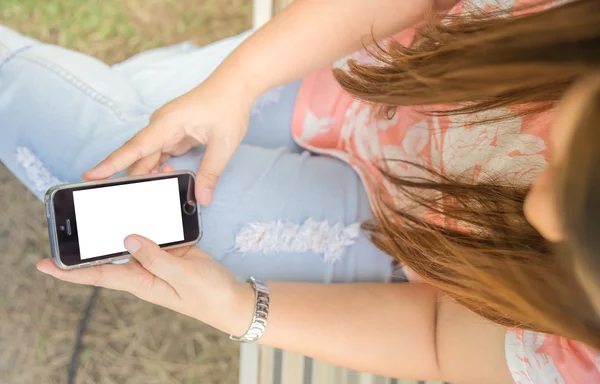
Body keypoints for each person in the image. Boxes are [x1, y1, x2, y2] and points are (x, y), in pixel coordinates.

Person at [1, 0, 599, 382]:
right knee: (141, 106)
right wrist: (238, 81)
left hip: (401, 243)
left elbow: (442, 342)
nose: (537, 210)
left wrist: (243, 311)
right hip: (370, 76)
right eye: (567, 159)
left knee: (97, 147)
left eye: (572, 250)